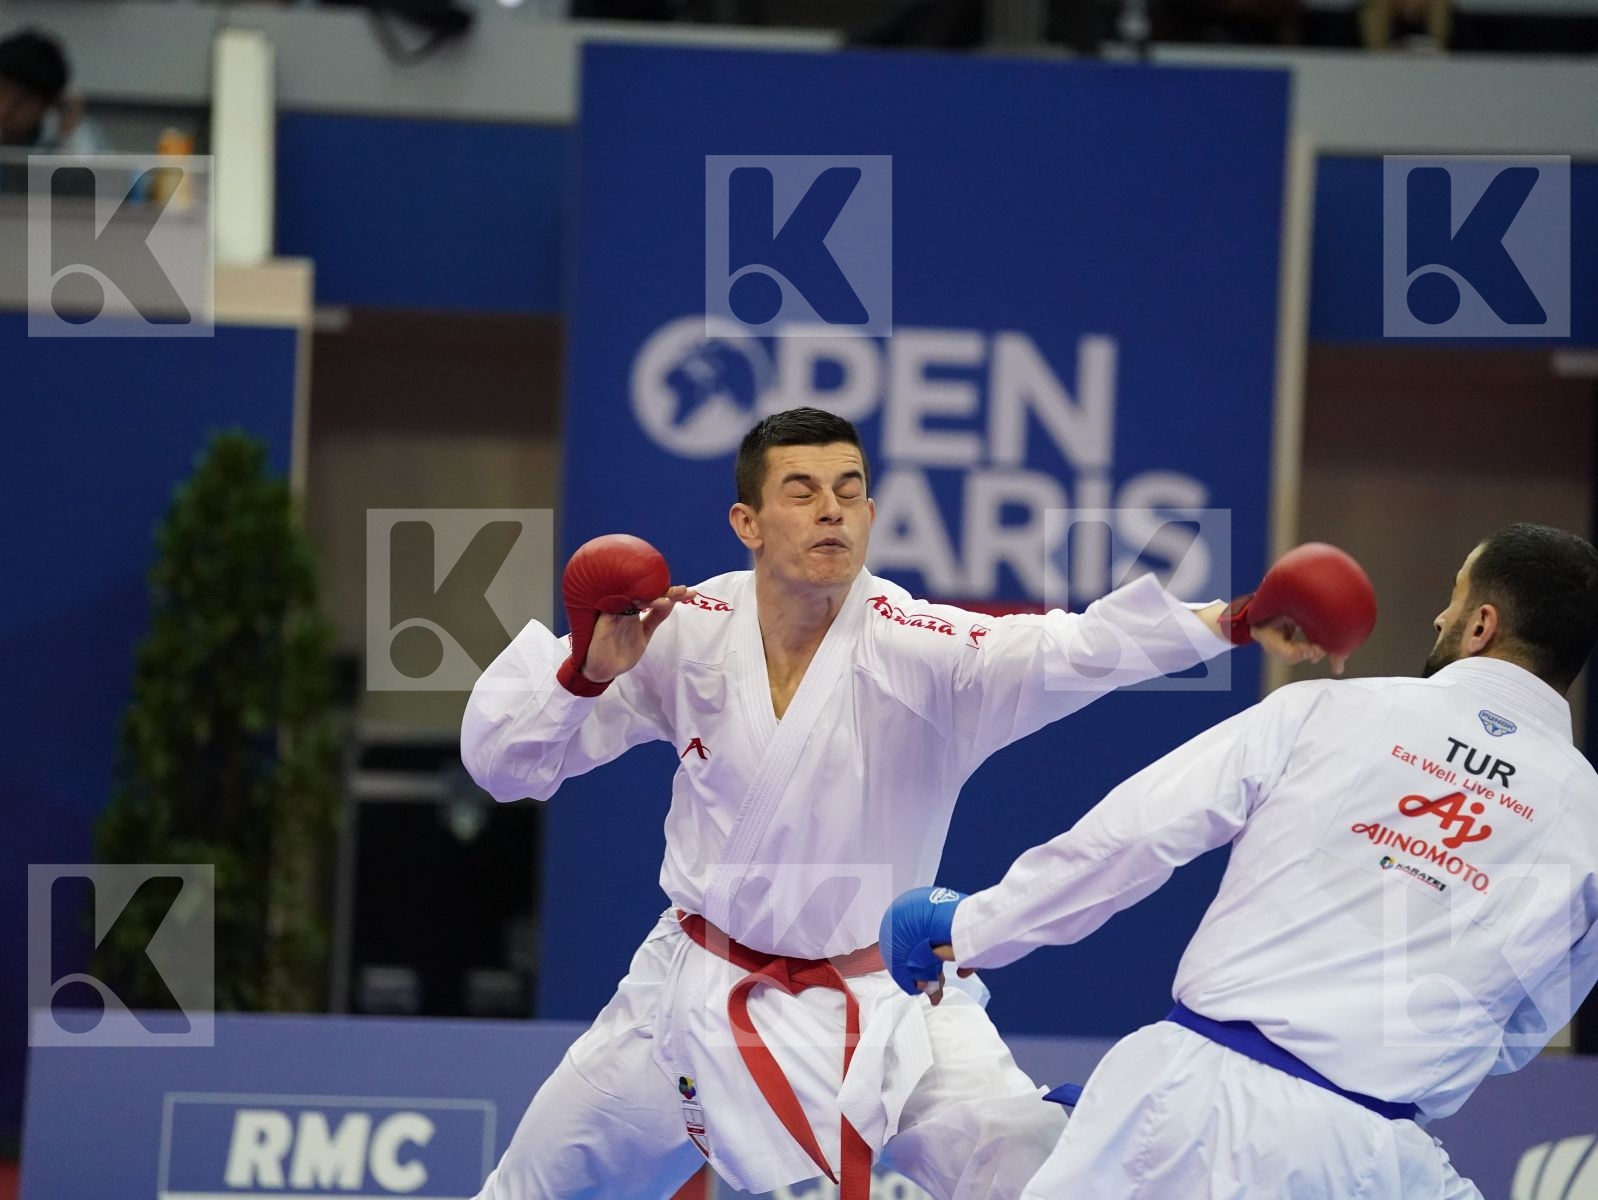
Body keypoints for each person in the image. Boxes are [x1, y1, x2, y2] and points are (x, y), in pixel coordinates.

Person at [461, 406, 1368, 1200]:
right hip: (692, 996)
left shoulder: (923, 650)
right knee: (530, 1187)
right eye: (803, 491)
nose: (832, 510)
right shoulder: (677, 631)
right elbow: (504, 768)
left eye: (850, 490)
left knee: (1038, 1170)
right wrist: (585, 674)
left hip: (890, 998)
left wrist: (1239, 620)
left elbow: (1074, 648)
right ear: (746, 521)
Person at [882, 522, 1598, 1199]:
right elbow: (1524, 1030)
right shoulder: (1588, 823)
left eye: (1453, 598)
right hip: (1371, 1154)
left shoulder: (1329, 712)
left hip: (1193, 1101)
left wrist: (974, 927)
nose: (1438, 619)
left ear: (1482, 625)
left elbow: (1132, 837)